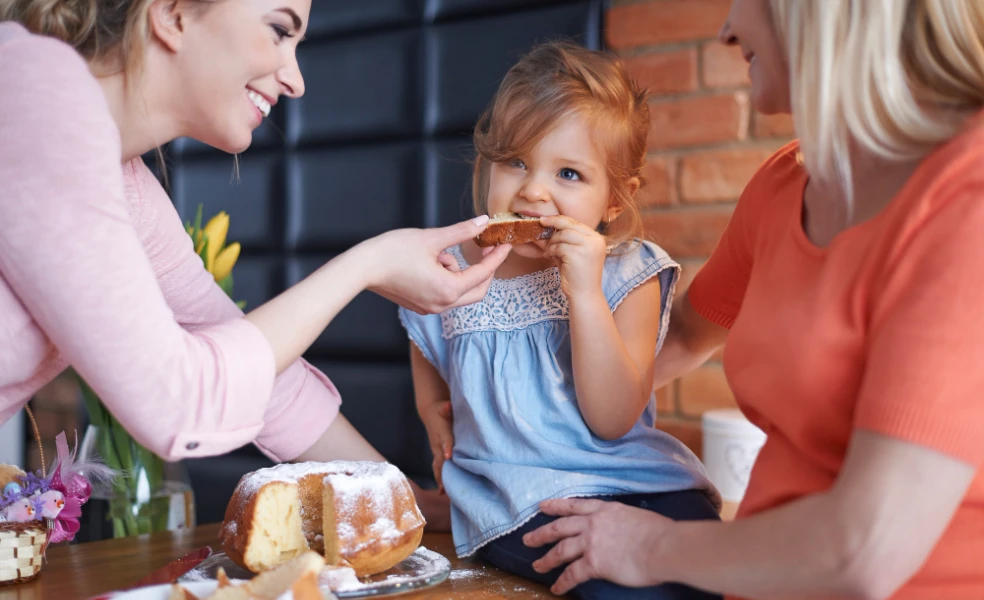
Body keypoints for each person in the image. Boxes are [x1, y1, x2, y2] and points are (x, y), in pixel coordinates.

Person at [516, 0, 984, 598]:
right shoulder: (783, 184)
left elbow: (863, 550)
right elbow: (683, 337)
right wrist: (525, 413)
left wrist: (646, 545)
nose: (727, 29)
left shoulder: (965, 204)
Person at [0, 0, 511, 528]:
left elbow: (270, 384)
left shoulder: (125, 184)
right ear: (173, 14)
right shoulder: (38, 91)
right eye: (278, 30)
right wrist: (368, 265)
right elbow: (178, 401)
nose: (295, 80)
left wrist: (399, 496)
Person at [399, 42, 721, 600]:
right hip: (521, 496)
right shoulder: (449, 272)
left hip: (642, 481)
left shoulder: (629, 272)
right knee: (618, 590)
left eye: (568, 172)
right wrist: (435, 417)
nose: (533, 191)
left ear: (616, 199)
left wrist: (585, 295)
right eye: (516, 162)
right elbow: (428, 354)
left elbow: (614, 418)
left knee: (712, 570)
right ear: (487, 162)